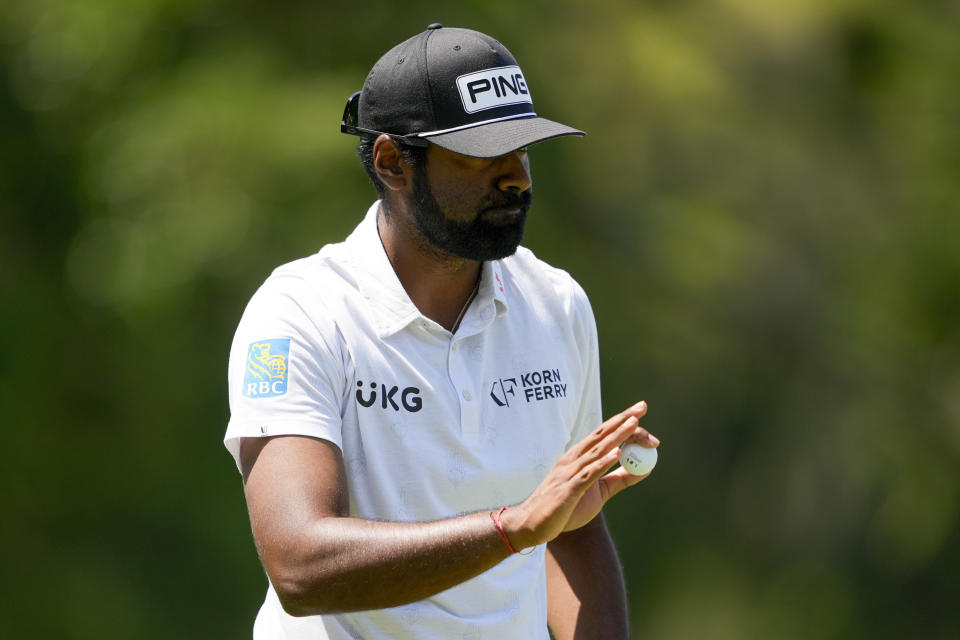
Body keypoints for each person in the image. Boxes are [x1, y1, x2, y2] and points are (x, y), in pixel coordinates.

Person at [224, 23, 660, 640]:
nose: (518, 178)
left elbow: (571, 526)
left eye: (524, 150)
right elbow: (301, 566)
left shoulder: (556, 304)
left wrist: (542, 525)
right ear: (391, 162)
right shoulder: (299, 314)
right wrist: (515, 526)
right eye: (484, 155)